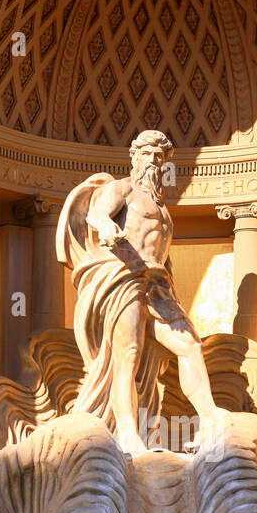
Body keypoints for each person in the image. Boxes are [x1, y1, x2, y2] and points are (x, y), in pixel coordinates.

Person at [56, 129, 226, 455]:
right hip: (127, 279)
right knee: (128, 358)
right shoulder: (124, 189)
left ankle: (209, 418)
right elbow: (95, 213)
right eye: (147, 154)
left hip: (158, 288)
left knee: (189, 345)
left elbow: (160, 250)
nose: (154, 161)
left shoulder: (162, 207)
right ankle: (127, 435)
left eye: (159, 156)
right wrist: (106, 226)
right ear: (135, 157)